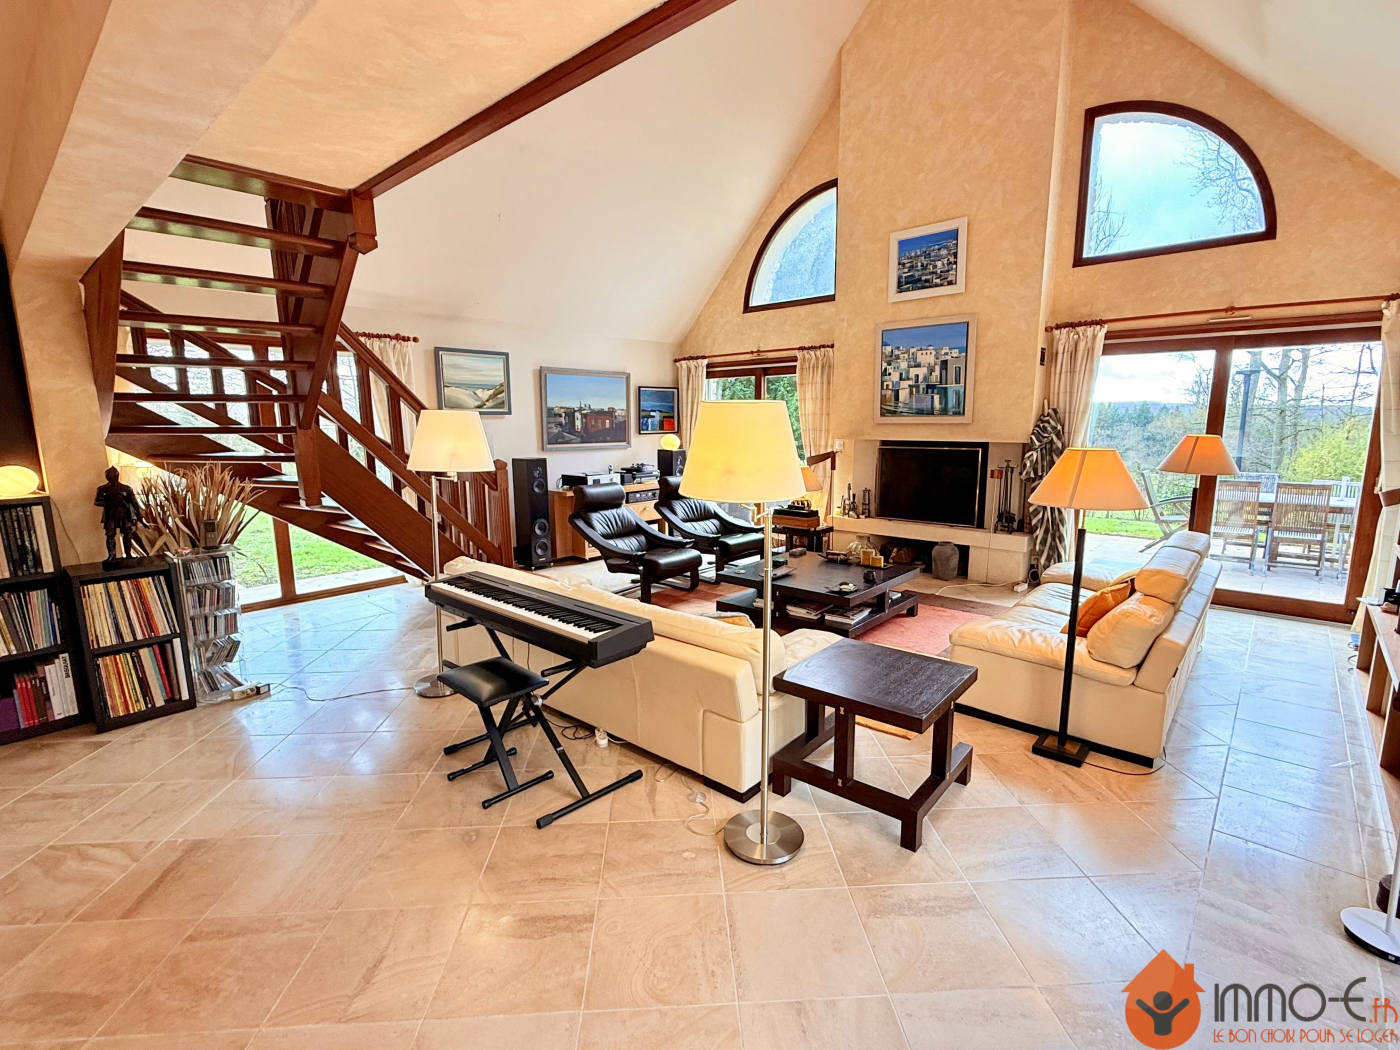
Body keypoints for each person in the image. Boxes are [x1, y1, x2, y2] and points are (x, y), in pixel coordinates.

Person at [95, 466, 142, 562]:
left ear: (117, 475)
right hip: (110, 514)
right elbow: (97, 501)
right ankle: (111, 555)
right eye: (108, 475)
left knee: (127, 534)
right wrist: (111, 502)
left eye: (112, 475)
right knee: (110, 534)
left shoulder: (126, 489)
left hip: (125, 514)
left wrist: (139, 516)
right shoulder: (102, 489)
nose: (110, 476)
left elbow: (134, 503)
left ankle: (128, 554)